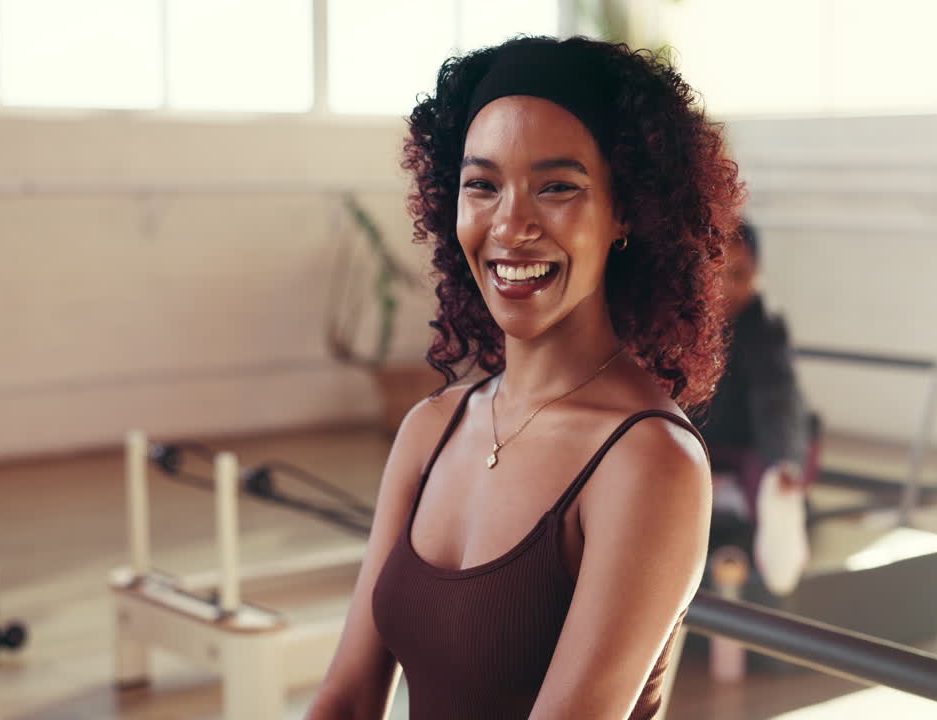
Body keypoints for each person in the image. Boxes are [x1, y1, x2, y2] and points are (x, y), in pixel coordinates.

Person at [306, 36, 743, 720]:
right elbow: (345, 700)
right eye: (482, 185)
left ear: (626, 210)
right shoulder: (432, 429)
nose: (511, 225)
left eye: (558, 187)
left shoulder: (649, 461)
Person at [698, 220, 813, 598]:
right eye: (716, 276)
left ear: (758, 273)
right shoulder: (687, 326)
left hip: (752, 445)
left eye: (739, 275)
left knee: (771, 474)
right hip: (701, 444)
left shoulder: (766, 329)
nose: (726, 288)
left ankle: (777, 501)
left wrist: (782, 460)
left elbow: (776, 399)